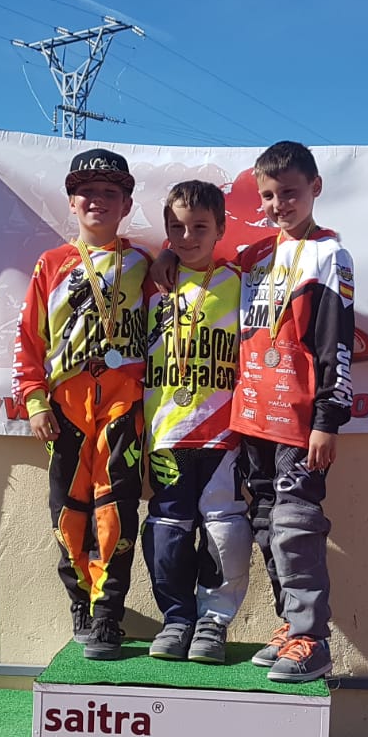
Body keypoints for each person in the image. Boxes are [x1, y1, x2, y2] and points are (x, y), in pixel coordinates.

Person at [13, 148, 151, 661]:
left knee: (116, 508)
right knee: (70, 509)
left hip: (123, 403)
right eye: (87, 193)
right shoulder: (50, 264)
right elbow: (29, 338)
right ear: (72, 202)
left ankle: (109, 613)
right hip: (66, 405)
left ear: (126, 205)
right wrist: (34, 401)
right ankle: (81, 603)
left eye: (110, 193)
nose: (98, 201)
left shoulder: (144, 263)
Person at [231, 141, 355, 683]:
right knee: (264, 522)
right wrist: (167, 258)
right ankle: (290, 624)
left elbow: (337, 343)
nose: (278, 204)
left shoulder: (330, 255)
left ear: (315, 189)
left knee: (296, 524)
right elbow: (199, 267)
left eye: (289, 193)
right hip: (253, 414)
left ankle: (313, 639)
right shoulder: (254, 257)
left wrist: (328, 420)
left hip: (300, 420)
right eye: (268, 195)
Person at [140, 181, 252, 664]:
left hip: (223, 434)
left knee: (225, 527)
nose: (187, 237)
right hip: (166, 432)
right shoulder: (150, 283)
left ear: (221, 228)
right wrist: (162, 256)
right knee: (167, 528)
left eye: (200, 227)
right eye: (177, 228)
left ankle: (214, 621)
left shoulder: (240, 282)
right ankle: (177, 618)